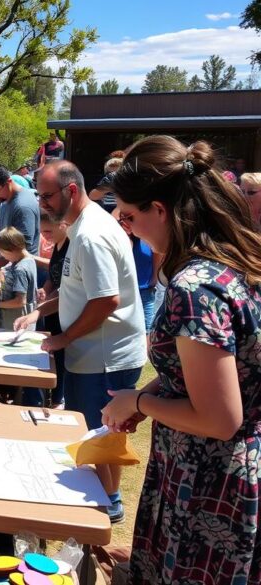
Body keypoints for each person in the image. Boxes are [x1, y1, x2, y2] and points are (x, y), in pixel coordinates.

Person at [100, 136, 261, 585]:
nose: (125, 225)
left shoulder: (195, 288)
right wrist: (149, 393)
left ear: (160, 209)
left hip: (210, 482)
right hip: (212, 469)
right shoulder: (231, 263)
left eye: (130, 216)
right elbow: (205, 375)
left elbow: (219, 417)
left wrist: (138, 403)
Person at [16, 160, 145, 524]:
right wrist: (42, 310)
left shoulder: (90, 235)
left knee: (103, 433)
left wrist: (63, 338)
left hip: (105, 356)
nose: (42, 203)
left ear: (71, 191)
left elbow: (106, 300)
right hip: (91, 353)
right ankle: (107, 498)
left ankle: (109, 505)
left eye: (47, 196)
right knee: (93, 431)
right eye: (39, 195)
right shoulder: (79, 228)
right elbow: (79, 289)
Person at [0, 227, 41, 406]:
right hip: (21, 318)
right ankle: (13, 393)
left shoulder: (20, 269)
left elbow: (20, 301)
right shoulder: (28, 260)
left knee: (14, 356)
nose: (3, 258)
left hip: (16, 319)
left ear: (12, 250)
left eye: (3, 253)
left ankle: (15, 395)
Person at [34, 213, 69, 407]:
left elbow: (68, 287)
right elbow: (53, 275)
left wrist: (46, 303)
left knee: (61, 356)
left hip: (64, 311)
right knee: (53, 354)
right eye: (42, 232)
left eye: (48, 231)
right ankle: (52, 396)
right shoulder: (58, 244)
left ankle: (58, 398)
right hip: (53, 310)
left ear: (63, 224)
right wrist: (44, 289)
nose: (44, 236)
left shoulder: (73, 246)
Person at [0, 164, 40, 269]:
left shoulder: (23, 206)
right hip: (10, 266)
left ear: (9, 182)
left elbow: (20, 251)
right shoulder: (5, 200)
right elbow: (6, 244)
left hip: (23, 271)